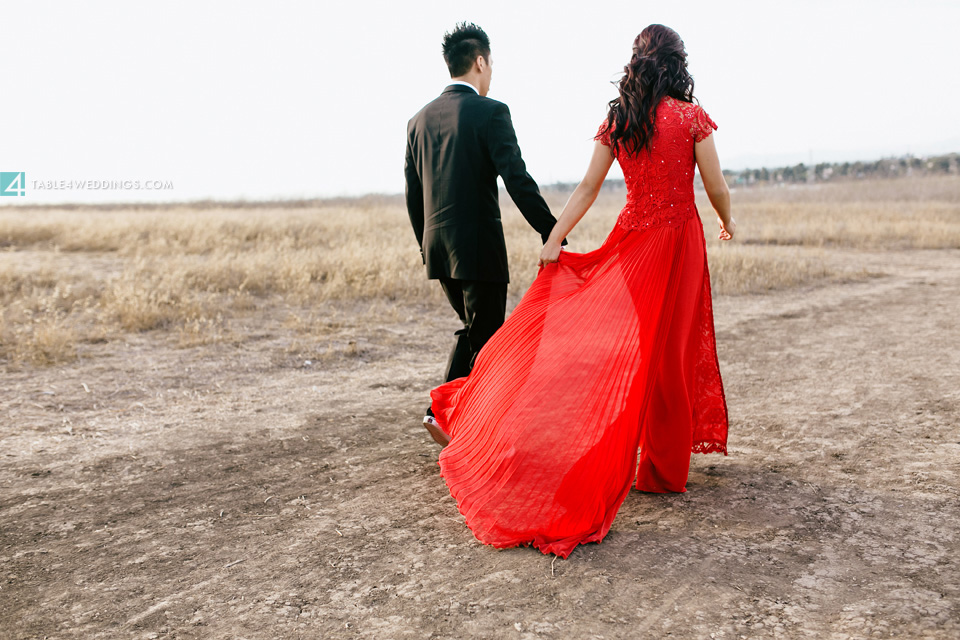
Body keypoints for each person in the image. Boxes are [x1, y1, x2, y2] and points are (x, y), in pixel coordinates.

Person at [427, 24, 735, 559]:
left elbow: (589, 188)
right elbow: (714, 186)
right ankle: (662, 468)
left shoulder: (621, 118)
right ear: (677, 63)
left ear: (637, 62)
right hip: (680, 244)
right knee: (674, 351)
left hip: (635, 244)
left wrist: (554, 239)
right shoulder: (690, 116)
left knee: (641, 349)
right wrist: (727, 222)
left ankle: (643, 455)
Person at [404, 22, 564, 445]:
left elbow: (413, 196)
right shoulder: (492, 112)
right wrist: (553, 230)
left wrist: (427, 248)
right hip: (478, 250)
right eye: (490, 64)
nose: (491, 73)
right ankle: (451, 419)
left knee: (477, 332)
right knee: (489, 339)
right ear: (480, 61)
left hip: (439, 251)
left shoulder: (417, 121)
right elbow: (517, 178)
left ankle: (457, 419)